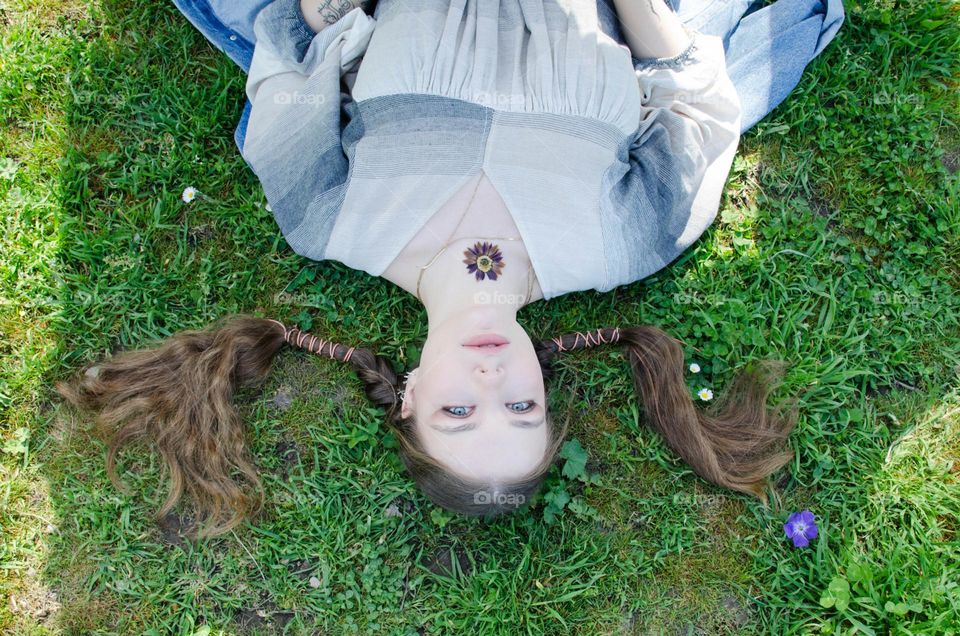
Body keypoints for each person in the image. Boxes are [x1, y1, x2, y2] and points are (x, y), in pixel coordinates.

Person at [59, 0, 844, 537]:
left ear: (405, 399)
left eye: (459, 415)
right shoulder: (624, 247)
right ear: (544, 389)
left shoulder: (329, 226)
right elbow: (694, 102)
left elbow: (300, 65)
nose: (490, 384)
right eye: (522, 411)